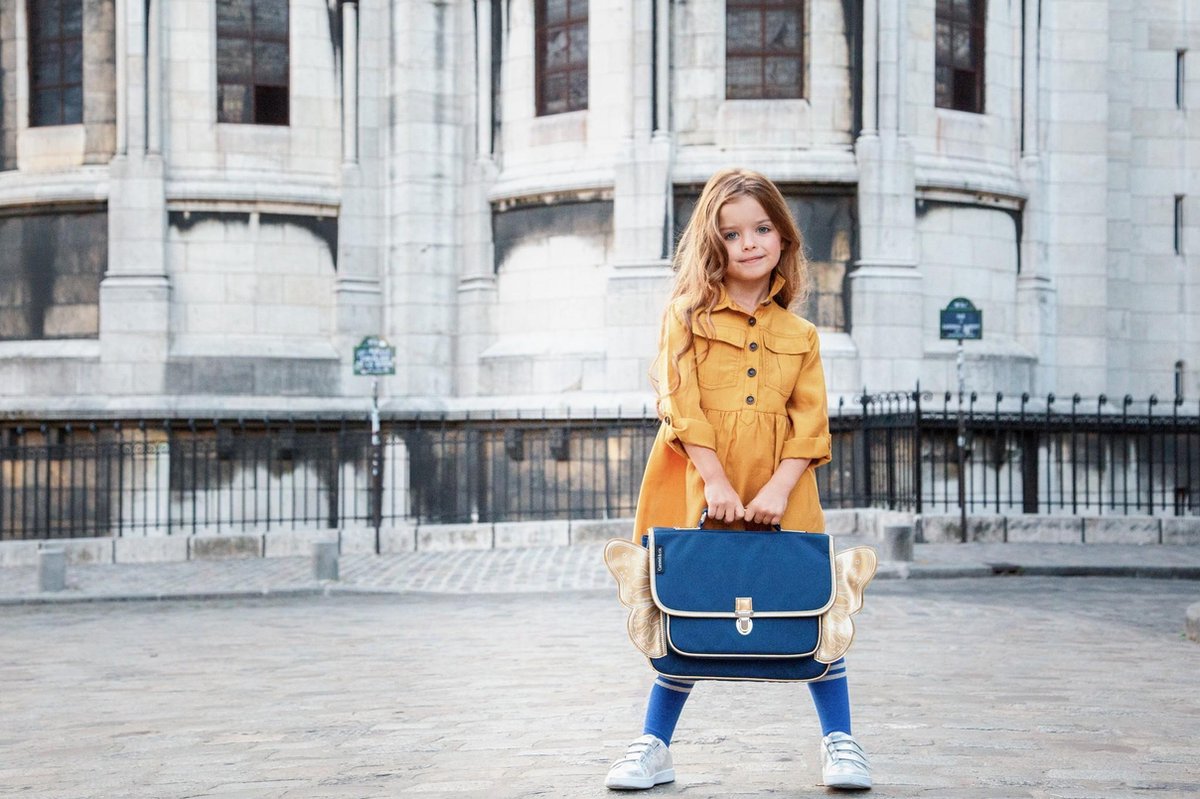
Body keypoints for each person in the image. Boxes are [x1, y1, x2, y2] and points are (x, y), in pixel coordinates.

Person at [604, 168, 871, 791]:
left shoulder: (801, 335)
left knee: (811, 606)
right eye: (731, 233)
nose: (749, 242)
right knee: (691, 608)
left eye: (761, 228)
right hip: (700, 482)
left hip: (783, 487)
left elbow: (811, 420)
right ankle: (653, 745)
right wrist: (717, 483)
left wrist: (778, 488)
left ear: (783, 237)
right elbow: (680, 402)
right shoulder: (685, 318)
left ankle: (841, 742)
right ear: (712, 243)